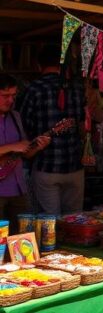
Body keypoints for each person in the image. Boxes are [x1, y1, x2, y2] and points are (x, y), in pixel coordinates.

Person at [18, 44, 86, 215]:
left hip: (46, 167)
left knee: (49, 223)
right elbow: (83, 123)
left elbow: (22, 126)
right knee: (74, 220)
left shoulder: (33, 89)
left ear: (38, 65)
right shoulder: (77, 88)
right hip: (75, 166)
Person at [0, 74, 45, 222]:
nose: (11, 100)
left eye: (13, 95)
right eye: (5, 95)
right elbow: (16, 147)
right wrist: (13, 146)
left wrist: (37, 147)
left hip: (17, 188)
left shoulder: (15, 116)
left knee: (20, 238)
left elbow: (25, 154)